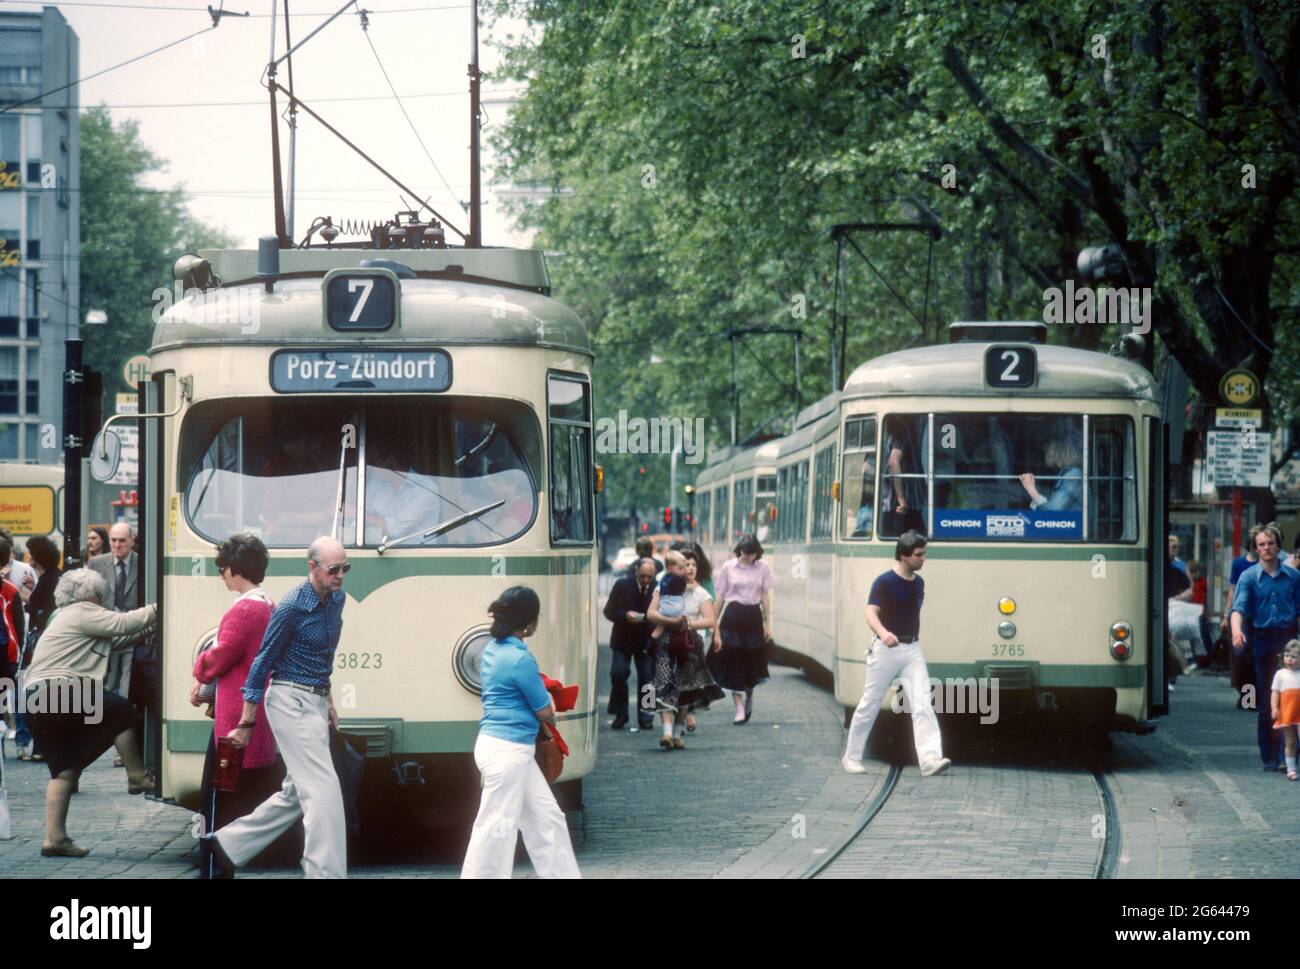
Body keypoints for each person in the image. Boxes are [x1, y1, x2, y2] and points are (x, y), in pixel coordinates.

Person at [201, 536, 350, 879]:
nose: (341, 575)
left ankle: (228, 844)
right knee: (324, 794)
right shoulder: (291, 606)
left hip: (312, 700)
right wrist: (247, 720)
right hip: (288, 701)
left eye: (345, 568)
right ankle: (325, 874)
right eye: (334, 569)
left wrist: (327, 698)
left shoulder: (335, 600)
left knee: (297, 792)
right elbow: (261, 663)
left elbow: (323, 655)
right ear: (313, 568)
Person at [23, 569, 157, 857]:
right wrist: (163, 606)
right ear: (93, 595)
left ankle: (54, 839)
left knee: (64, 770)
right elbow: (123, 623)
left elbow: (117, 640)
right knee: (122, 711)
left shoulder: (63, 618)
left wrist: (149, 629)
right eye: (102, 596)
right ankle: (136, 775)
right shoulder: (82, 610)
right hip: (60, 689)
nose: (103, 601)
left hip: (36, 698)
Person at [461, 586, 581, 879]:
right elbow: (545, 711)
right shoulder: (521, 659)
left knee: (546, 819)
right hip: (510, 751)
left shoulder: (492, 650)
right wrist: (552, 698)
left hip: (501, 748)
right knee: (495, 829)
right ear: (529, 624)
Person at [191, 534, 279, 879]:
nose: (221, 574)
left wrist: (199, 670)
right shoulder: (267, 605)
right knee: (235, 798)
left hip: (232, 722)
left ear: (234, 569)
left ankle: (213, 866)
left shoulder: (243, 610)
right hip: (252, 715)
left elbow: (217, 658)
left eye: (222, 567)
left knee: (214, 801)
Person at [842, 530, 951, 777]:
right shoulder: (884, 582)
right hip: (885, 651)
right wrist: (883, 633)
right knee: (870, 703)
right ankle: (851, 756)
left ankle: (930, 759)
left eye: (924, 554)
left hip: (912, 649)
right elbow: (871, 613)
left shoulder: (919, 583)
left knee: (923, 703)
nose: (924, 559)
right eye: (919, 555)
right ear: (904, 555)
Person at [1230, 523, 1300, 771]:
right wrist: (1236, 631)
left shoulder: (1293, 577)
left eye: (1271, 543)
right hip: (1262, 641)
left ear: (1278, 545)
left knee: (1291, 699)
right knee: (1267, 700)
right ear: (1256, 548)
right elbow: (1238, 609)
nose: (1267, 548)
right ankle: (1269, 757)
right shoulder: (1249, 577)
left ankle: (1286, 757)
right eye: (1261, 544)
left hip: (1289, 640)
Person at [647, 548, 723, 749]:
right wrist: (669, 622)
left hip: (689, 645)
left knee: (685, 688)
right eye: (684, 565)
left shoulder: (701, 594)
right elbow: (650, 613)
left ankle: (678, 732)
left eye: (692, 565)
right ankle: (666, 733)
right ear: (675, 569)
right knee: (663, 683)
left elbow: (710, 620)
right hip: (665, 642)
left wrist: (687, 624)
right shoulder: (663, 586)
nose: (689, 569)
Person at [710, 534, 773, 724]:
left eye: (752, 554)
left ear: (757, 553)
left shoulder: (763, 568)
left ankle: (749, 696)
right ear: (740, 551)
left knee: (751, 664)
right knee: (734, 663)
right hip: (733, 616)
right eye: (745, 553)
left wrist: (767, 623)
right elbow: (720, 596)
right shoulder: (728, 567)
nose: (748, 557)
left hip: (753, 617)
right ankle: (738, 707)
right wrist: (713, 625)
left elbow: (765, 595)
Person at [13, 535, 58, 761]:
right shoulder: (49, 577)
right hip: (46, 639)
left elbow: (33, 604)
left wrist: (19, 592)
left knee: (33, 690)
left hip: (41, 641)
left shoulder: (49, 579)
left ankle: (39, 744)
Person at [88, 523, 142, 705]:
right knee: (107, 683)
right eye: (113, 540)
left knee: (128, 684)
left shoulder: (142, 562)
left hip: (133, 632)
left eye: (122, 541)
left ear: (132, 541)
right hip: (107, 632)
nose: (117, 545)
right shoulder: (97, 563)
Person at [603, 557, 658, 730]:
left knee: (648, 678)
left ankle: (647, 715)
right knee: (618, 673)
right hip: (623, 638)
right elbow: (608, 611)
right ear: (635, 572)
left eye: (649, 577)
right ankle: (621, 713)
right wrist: (625, 615)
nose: (645, 580)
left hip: (646, 640)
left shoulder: (658, 588)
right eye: (642, 576)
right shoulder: (622, 585)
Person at [1018, 437, 1083, 511]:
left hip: (1075, 521)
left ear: (1054, 454)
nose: (1044, 456)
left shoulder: (1072, 474)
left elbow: (1054, 509)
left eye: (1046, 452)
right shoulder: (1064, 473)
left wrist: (1031, 490)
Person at [1271, 640, 1300, 781]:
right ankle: (1291, 769)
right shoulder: (1280, 674)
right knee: (1290, 742)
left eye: (1294, 656)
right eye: (1287, 655)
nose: (1289, 659)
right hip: (1287, 712)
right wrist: (1274, 708)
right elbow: (1275, 693)